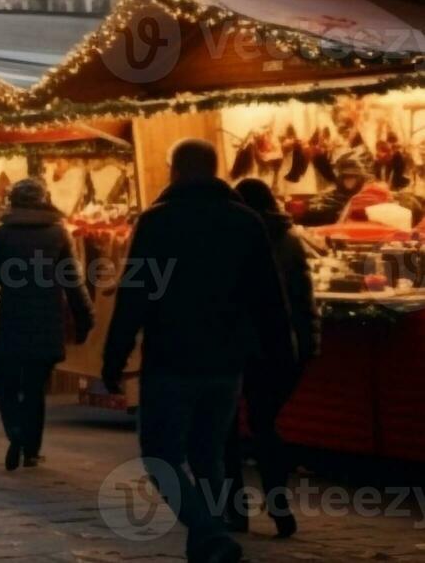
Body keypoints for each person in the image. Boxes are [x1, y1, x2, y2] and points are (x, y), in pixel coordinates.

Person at [103, 139, 296, 563]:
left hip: (170, 358)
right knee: (207, 454)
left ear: (175, 170)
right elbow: (269, 295)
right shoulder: (245, 221)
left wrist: (114, 357)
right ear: (215, 170)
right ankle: (206, 544)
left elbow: (135, 294)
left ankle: (210, 533)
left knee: (160, 455)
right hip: (227, 361)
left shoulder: (157, 222)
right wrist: (282, 351)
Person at [227, 178, 316, 537]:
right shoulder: (290, 240)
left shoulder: (233, 241)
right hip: (278, 347)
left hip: (238, 348)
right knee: (265, 426)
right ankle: (280, 509)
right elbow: (304, 300)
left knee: (227, 433)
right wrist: (307, 345)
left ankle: (235, 511)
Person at [0, 177, 93, 471]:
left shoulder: (2, 233)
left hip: (10, 316)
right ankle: (32, 450)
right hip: (46, 318)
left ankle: (15, 434)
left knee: (7, 384)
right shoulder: (58, 233)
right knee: (34, 388)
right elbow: (72, 280)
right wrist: (85, 317)